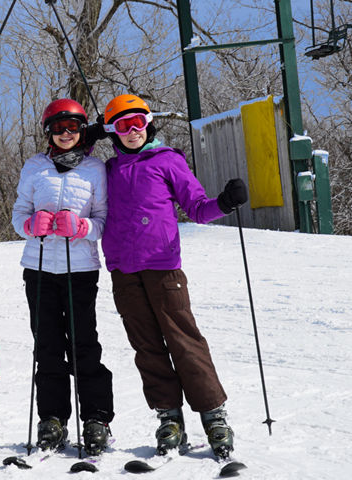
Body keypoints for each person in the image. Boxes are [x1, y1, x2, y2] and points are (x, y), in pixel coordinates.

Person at [99, 94, 248, 459]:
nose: (132, 132)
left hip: (163, 267)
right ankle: (169, 418)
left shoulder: (167, 161)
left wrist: (225, 203)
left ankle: (214, 416)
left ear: (149, 124)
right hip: (124, 271)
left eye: (138, 123)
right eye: (122, 126)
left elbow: (197, 208)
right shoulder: (107, 170)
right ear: (111, 132)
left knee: (184, 341)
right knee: (146, 346)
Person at [11, 98, 113, 455]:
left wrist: (83, 226)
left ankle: (97, 419)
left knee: (84, 344)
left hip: (80, 270)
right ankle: (52, 419)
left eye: (72, 127)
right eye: (58, 127)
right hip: (39, 269)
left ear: (82, 131)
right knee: (48, 347)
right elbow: (18, 212)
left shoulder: (94, 169)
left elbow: (102, 220)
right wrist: (28, 225)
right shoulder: (35, 167)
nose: (66, 134)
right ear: (48, 131)